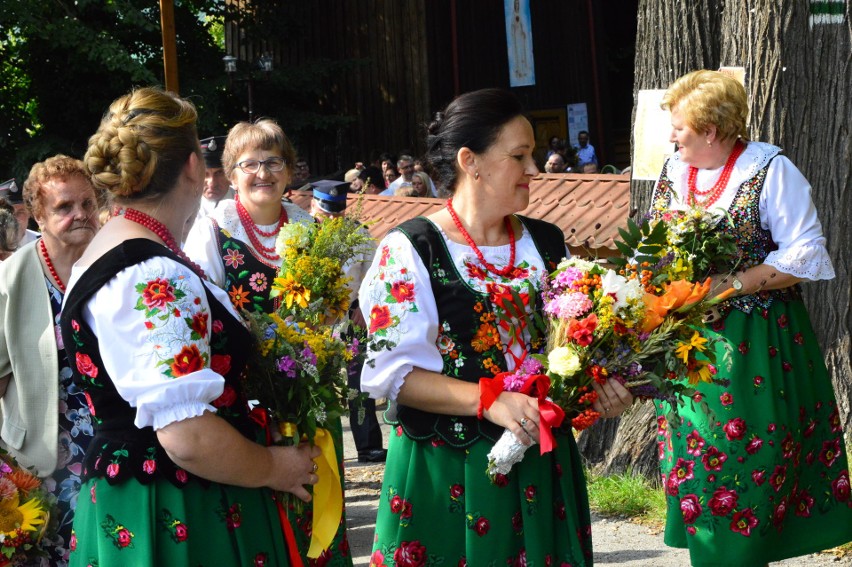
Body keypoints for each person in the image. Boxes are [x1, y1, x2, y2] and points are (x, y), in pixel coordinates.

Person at [359, 88, 633, 565]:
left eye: (533, 153)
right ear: (471, 161)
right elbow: (394, 375)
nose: (534, 168)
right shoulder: (410, 250)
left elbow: (577, 345)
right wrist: (489, 401)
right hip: (446, 466)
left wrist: (601, 385)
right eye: (519, 155)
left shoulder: (546, 244)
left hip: (540, 463)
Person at [58, 87, 321, 566]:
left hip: (133, 495)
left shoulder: (106, 252)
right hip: (178, 504)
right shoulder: (151, 271)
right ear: (194, 167)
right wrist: (273, 468)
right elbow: (188, 436)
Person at [651, 70, 852, 566]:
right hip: (688, 340)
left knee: (754, 454)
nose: (672, 137)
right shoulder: (675, 171)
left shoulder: (769, 170)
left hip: (756, 340)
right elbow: (655, 244)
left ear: (711, 131)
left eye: (680, 128)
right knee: (698, 457)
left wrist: (734, 283)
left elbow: (804, 254)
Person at [183, 118, 354, 565]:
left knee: (317, 508)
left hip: (307, 390)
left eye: (274, 161)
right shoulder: (211, 231)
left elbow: (332, 310)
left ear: (291, 170)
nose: (263, 173)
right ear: (230, 172)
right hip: (246, 399)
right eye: (250, 163)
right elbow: (206, 319)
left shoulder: (311, 230)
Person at [0, 155, 102, 565]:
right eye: (64, 207)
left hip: (114, 447)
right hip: (46, 458)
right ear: (38, 216)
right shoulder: (12, 279)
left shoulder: (113, 263)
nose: (80, 215)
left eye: (88, 204)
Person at [307, 180, 386, 464]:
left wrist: (364, 309)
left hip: (352, 316)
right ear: (313, 205)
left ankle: (367, 445)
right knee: (315, 383)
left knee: (358, 381)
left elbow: (375, 276)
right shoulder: (301, 236)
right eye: (326, 212)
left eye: (337, 213)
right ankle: (318, 447)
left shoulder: (359, 236)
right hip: (312, 319)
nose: (332, 218)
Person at [194, 135, 233, 225]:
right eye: (205, 174)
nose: (212, 183)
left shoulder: (245, 202)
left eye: (219, 173)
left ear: (230, 174)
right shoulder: (185, 208)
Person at [0, 178, 40, 249]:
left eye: (21, 212)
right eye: (8, 212)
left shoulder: (42, 243)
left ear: (29, 214)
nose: (14, 218)